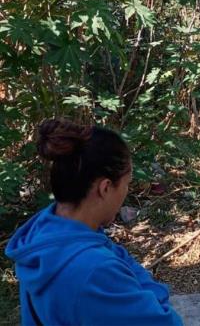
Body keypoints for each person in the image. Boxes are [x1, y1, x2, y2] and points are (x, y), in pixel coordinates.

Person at [5, 119, 183, 325]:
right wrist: (154, 295)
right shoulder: (94, 272)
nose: (126, 192)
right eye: (127, 184)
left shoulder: (46, 230)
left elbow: (119, 256)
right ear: (105, 188)